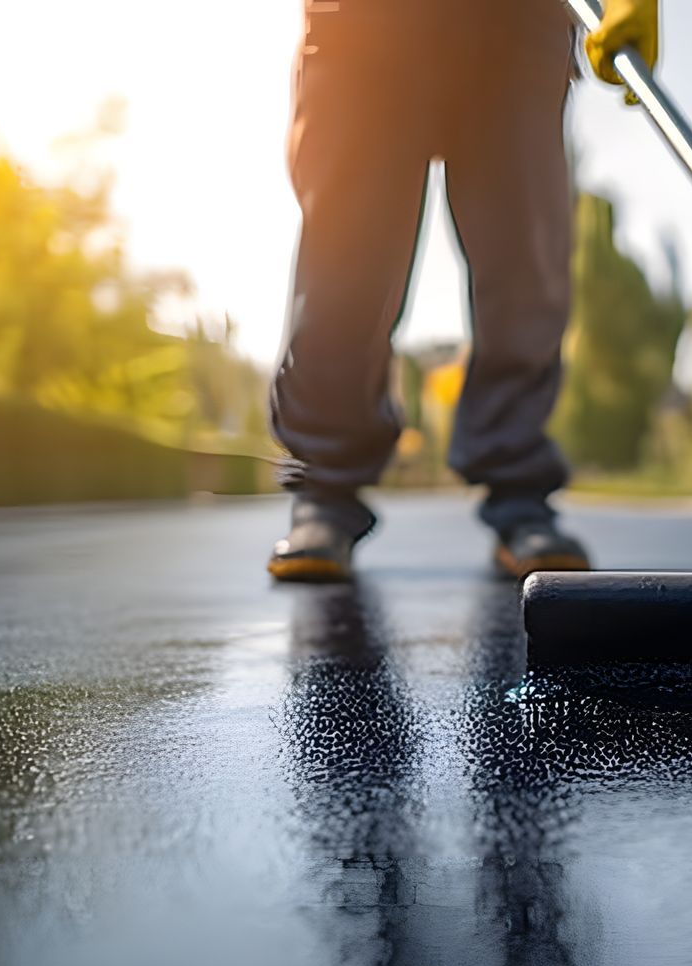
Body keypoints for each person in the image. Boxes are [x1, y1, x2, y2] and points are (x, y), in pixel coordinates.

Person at [266, 0, 661, 583]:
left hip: (516, 21)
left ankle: (520, 492)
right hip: (364, 21)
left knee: (524, 257)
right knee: (346, 258)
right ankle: (324, 488)